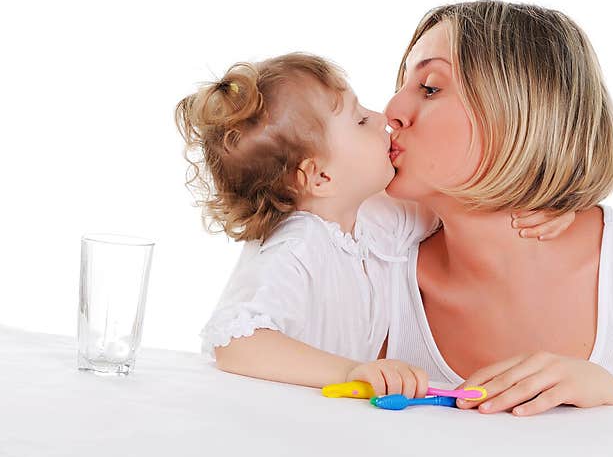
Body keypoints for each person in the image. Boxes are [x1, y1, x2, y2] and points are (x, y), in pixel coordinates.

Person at [383, 0, 613, 416]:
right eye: (400, 87)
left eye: (430, 87)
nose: (391, 111)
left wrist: (610, 402)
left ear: (521, 107)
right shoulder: (377, 271)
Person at [174, 52, 573, 397]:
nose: (382, 117)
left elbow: (457, 205)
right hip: (286, 431)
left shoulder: (370, 221)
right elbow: (235, 341)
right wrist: (349, 372)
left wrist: (544, 201)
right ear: (320, 177)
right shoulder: (297, 246)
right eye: (360, 120)